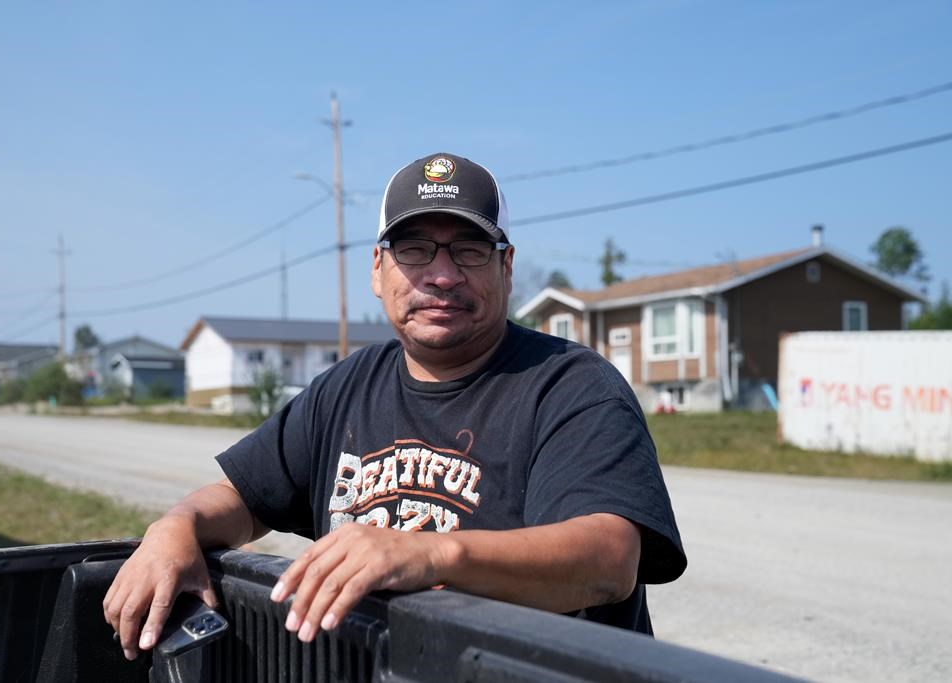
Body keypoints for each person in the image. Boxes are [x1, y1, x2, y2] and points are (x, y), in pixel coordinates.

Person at [103, 152, 686, 661]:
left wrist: (429, 554)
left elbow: (607, 560)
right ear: (378, 271)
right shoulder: (347, 387)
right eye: (414, 250)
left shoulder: (571, 386)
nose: (441, 274)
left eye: (470, 250)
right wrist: (176, 527)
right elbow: (243, 497)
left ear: (506, 267)